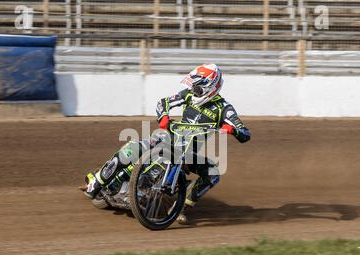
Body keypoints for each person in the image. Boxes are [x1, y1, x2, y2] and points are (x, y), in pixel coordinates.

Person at [84, 63, 251, 225]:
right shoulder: (188, 95)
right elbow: (163, 102)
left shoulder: (224, 108)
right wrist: (163, 117)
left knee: (213, 172)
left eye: (197, 88)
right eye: (193, 87)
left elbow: (244, 132)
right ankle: (98, 180)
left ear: (210, 87)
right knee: (133, 148)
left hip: (188, 152)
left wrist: (232, 129)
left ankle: (181, 208)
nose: (193, 91)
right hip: (167, 138)